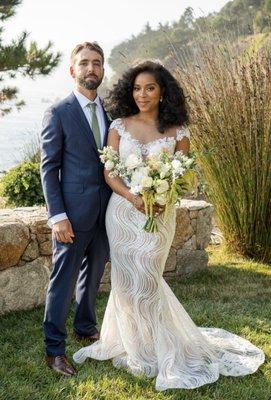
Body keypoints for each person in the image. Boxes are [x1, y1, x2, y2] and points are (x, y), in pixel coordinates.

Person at [73, 60, 264, 390]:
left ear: (163, 92)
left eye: (150, 88)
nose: (142, 94)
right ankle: (137, 346)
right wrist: (134, 197)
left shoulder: (178, 131)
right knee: (125, 280)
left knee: (148, 276)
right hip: (122, 211)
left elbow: (185, 176)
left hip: (160, 214)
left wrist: (164, 195)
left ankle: (162, 348)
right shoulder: (118, 125)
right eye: (136, 88)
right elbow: (110, 173)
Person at [40, 41, 112, 376]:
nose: (91, 69)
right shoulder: (59, 112)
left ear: (103, 69)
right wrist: (57, 216)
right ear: (73, 70)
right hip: (71, 215)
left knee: (94, 276)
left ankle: (85, 328)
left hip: (104, 215)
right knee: (62, 282)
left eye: (97, 63)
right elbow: (48, 168)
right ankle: (54, 350)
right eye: (84, 63)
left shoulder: (108, 113)